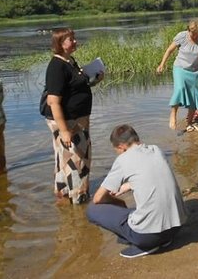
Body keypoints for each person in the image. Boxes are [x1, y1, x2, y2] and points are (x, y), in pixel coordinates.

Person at [86, 124, 186, 259]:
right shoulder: (156, 150)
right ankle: (162, 239)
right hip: (175, 227)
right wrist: (127, 186)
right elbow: (151, 175)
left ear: (121, 147)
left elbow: (98, 198)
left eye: (117, 150)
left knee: (92, 209)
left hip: (148, 237)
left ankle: (145, 243)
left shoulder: (123, 159)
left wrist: (118, 201)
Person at [44, 28, 102, 204]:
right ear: (60, 44)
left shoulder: (69, 61)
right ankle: (79, 200)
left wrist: (94, 80)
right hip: (68, 123)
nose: (75, 41)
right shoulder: (56, 66)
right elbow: (53, 101)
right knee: (77, 160)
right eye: (71, 39)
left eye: (74, 38)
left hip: (77, 120)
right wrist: (64, 130)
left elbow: (74, 89)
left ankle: (64, 198)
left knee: (66, 158)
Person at [157, 21, 198, 132]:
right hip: (180, 68)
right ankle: (173, 114)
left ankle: (189, 122)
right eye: (192, 33)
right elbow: (169, 50)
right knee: (180, 89)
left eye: (197, 33)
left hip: (194, 71)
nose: (195, 36)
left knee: (194, 96)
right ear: (188, 30)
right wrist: (162, 64)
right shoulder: (182, 36)